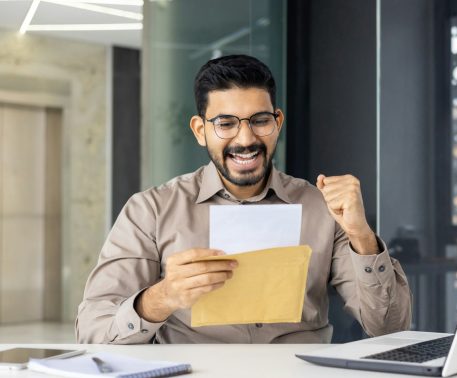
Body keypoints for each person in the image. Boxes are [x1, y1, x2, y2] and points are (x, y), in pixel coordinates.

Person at [76, 55, 411, 344]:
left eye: (260, 121)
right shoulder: (149, 211)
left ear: (277, 123)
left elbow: (390, 328)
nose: (246, 138)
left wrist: (361, 236)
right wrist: (162, 297)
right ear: (199, 130)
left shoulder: (322, 208)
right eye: (226, 124)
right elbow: (93, 331)